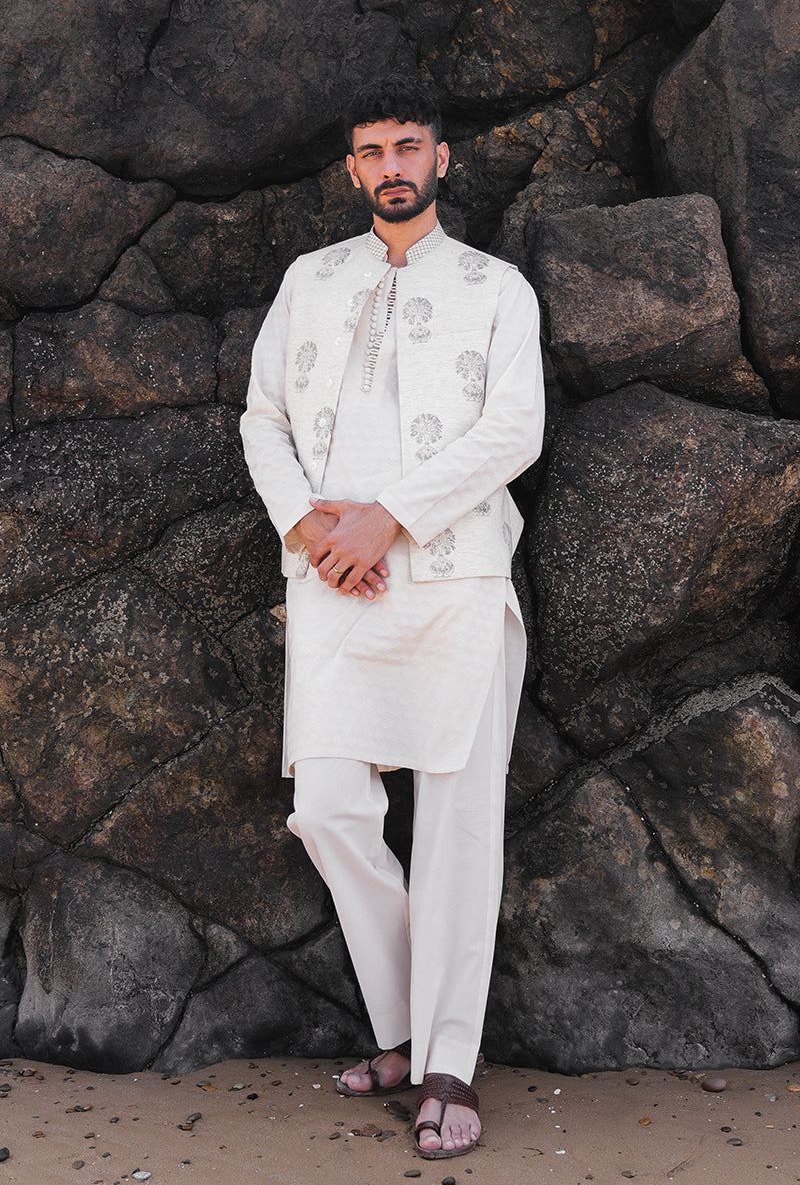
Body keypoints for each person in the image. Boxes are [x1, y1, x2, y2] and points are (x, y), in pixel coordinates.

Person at [240, 75, 545, 1160]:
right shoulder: (309, 279)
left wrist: (389, 520)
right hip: (332, 580)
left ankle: (446, 1066)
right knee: (328, 809)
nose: (392, 166)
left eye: (408, 146)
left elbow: (514, 430)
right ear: (353, 169)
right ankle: (408, 1034)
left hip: (454, 577)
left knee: (459, 828)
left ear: (440, 158)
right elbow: (262, 416)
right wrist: (308, 526)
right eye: (372, 152)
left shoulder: (496, 287)